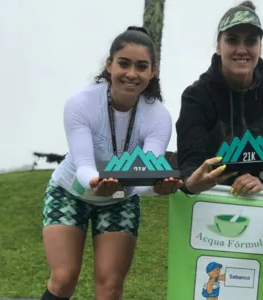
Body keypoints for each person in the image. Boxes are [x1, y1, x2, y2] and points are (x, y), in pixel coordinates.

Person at [41, 26, 182, 300]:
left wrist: (158, 187)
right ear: (109, 65)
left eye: (141, 66)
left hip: (120, 198)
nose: (131, 74)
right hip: (70, 191)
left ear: (153, 71)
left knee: (110, 287)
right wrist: (96, 183)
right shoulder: (81, 103)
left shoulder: (158, 116)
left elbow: (145, 176)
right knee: (63, 278)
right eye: (124, 63)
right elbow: (83, 164)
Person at [176, 0, 263, 197]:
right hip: (211, 194)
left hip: (262, 192)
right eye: (232, 40)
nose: (242, 49)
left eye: (251, 41)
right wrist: (191, 183)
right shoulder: (196, 95)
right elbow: (190, 160)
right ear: (218, 47)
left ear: (260, 47)